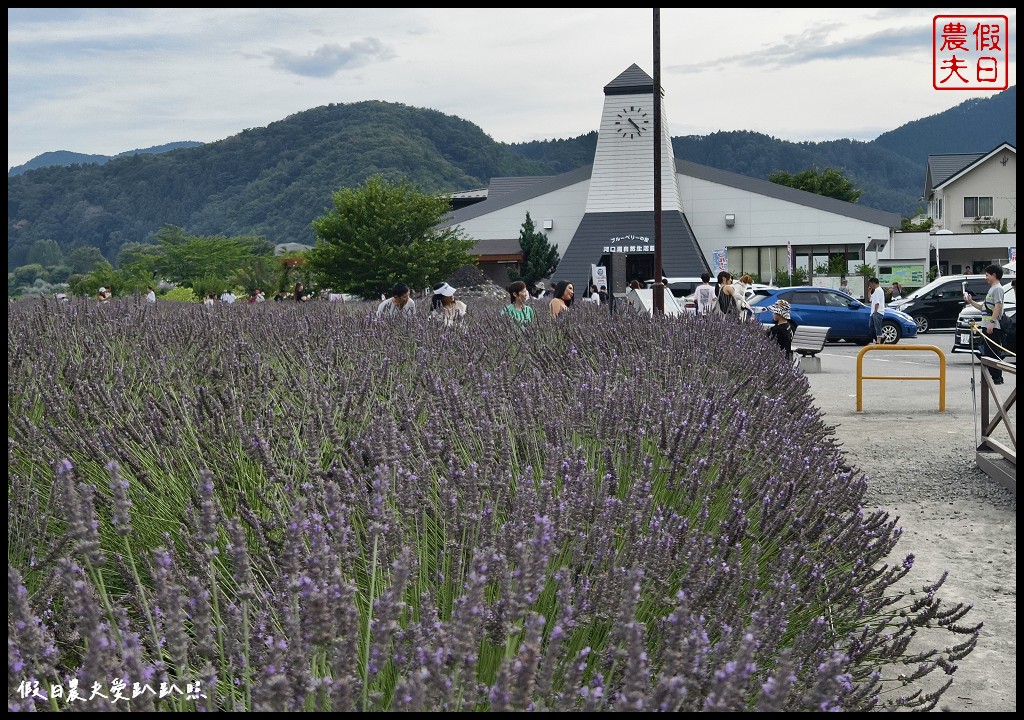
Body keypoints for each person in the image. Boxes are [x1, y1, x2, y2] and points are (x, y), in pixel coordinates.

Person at [963, 264, 1006, 385]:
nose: (985, 278)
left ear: (994, 275)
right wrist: (971, 301)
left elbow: (998, 306)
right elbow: (983, 307)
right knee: (987, 352)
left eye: (987, 275)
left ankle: (996, 378)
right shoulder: (992, 288)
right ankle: (991, 378)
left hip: (993, 327)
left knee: (992, 353)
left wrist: (992, 323)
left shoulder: (997, 288)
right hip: (987, 326)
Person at [868, 277, 885, 344]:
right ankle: (881, 338)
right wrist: (869, 291)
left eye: (870, 284)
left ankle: (878, 341)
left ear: (873, 283)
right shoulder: (876, 291)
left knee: (877, 326)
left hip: (878, 311)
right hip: (874, 312)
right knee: (871, 326)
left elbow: (877, 303)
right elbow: (870, 299)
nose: (870, 286)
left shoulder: (878, 290)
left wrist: (875, 311)